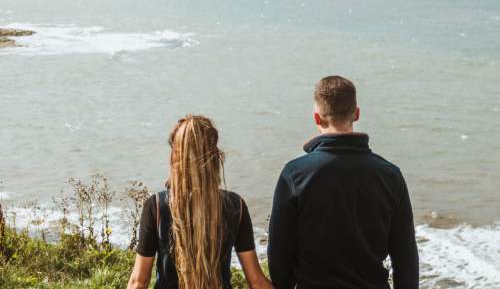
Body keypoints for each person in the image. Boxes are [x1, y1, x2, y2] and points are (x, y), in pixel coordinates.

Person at [268, 76, 419, 289]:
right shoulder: (390, 175)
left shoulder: (295, 174)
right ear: (356, 114)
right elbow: (406, 258)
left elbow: (280, 252)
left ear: (316, 118)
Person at [128, 115, 273, 289]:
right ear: (214, 156)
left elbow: (139, 281)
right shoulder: (235, 206)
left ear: (176, 157)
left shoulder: (157, 205)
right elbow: (255, 280)